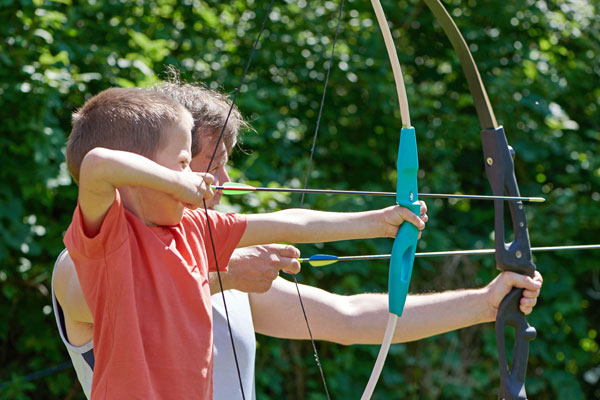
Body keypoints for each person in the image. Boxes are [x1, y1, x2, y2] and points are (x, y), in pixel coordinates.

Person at [53, 83, 542, 399]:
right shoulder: (91, 252)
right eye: (200, 162)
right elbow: (111, 298)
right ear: (143, 167)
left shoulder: (200, 239)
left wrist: (485, 303)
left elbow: (347, 317)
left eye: (226, 163)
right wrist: (221, 278)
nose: (223, 181)